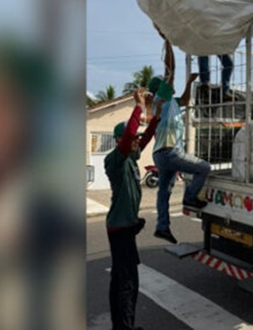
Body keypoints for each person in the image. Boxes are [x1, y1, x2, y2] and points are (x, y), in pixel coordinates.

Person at [105, 87, 160, 330]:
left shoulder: (131, 157)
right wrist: (137, 106)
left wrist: (154, 114)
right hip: (120, 230)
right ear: (119, 141)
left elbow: (145, 136)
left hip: (124, 228)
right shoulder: (115, 159)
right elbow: (130, 136)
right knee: (128, 283)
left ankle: (120, 326)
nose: (137, 140)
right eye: (132, 138)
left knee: (119, 280)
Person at [150, 32, 211, 244]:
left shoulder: (170, 102)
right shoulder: (161, 96)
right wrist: (167, 39)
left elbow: (185, 99)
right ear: (160, 86)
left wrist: (189, 82)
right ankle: (189, 197)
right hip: (169, 151)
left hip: (161, 154)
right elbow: (170, 70)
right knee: (204, 168)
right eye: (165, 82)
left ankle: (162, 226)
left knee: (164, 192)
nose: (168, 82)